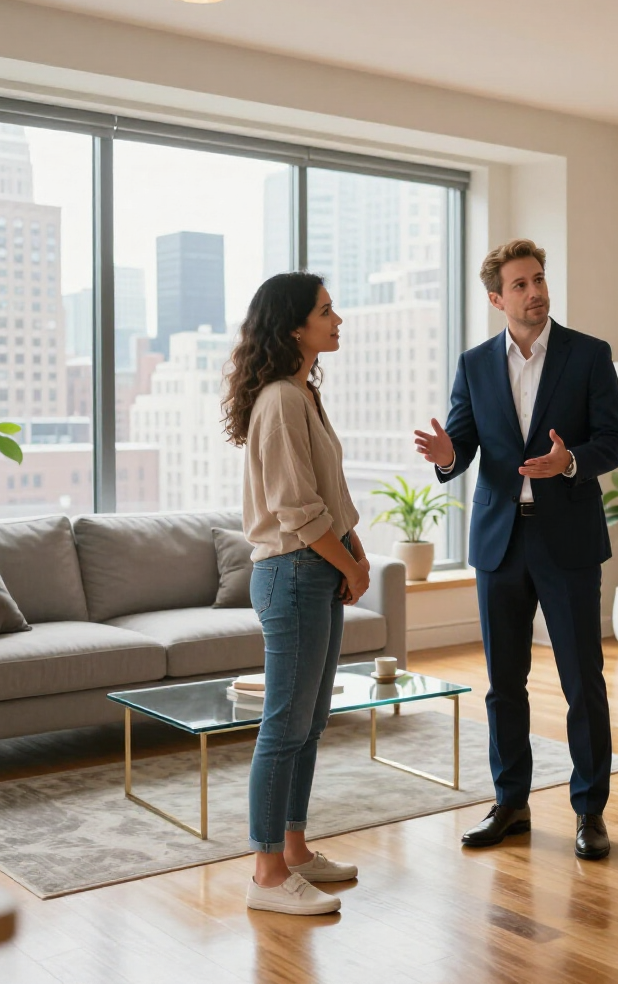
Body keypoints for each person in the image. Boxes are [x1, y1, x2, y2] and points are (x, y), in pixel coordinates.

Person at [414, 239, 618, 860]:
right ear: (495, 298)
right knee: (503, 684)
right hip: (500, 541)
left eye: (538, 280)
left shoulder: (589, 355)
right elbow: (462, 444)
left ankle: (590, 811)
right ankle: (511, 803)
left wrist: (570, 463)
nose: (534, 292)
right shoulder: (476, 363)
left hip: (566, 540)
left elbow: (614, 442)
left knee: (581, 682)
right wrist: (449, 456)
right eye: (520, 285)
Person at [223, 271, 370, 915]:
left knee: (308, 723)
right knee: (284, 727)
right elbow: (295, 510)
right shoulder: (281, 398)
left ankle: (296, 850)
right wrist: (350, 566)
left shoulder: (302, 394)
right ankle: (267, 876)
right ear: (293, 327)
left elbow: (330, 497)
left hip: (316, 568)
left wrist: (356, 554)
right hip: (292, 571)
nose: (337, 321)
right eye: (326, 311)